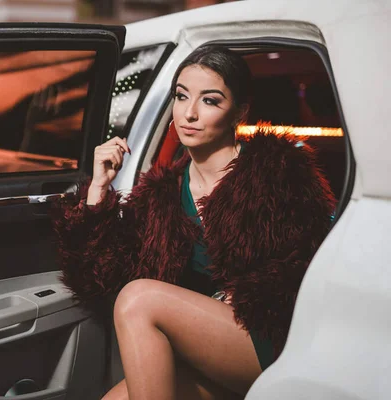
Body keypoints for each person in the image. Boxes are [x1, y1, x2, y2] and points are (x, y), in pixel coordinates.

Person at [52, 45, 336, 399]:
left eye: (210, 101)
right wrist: (97, 189)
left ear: (239, 112)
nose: (189, 113)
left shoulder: (278, 173)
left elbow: (315, 265)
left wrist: (250, 293)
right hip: (207, 349)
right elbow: (103, 281)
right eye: (181, 96)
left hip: (274, 339)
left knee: (140, 298)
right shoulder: (160, 196)